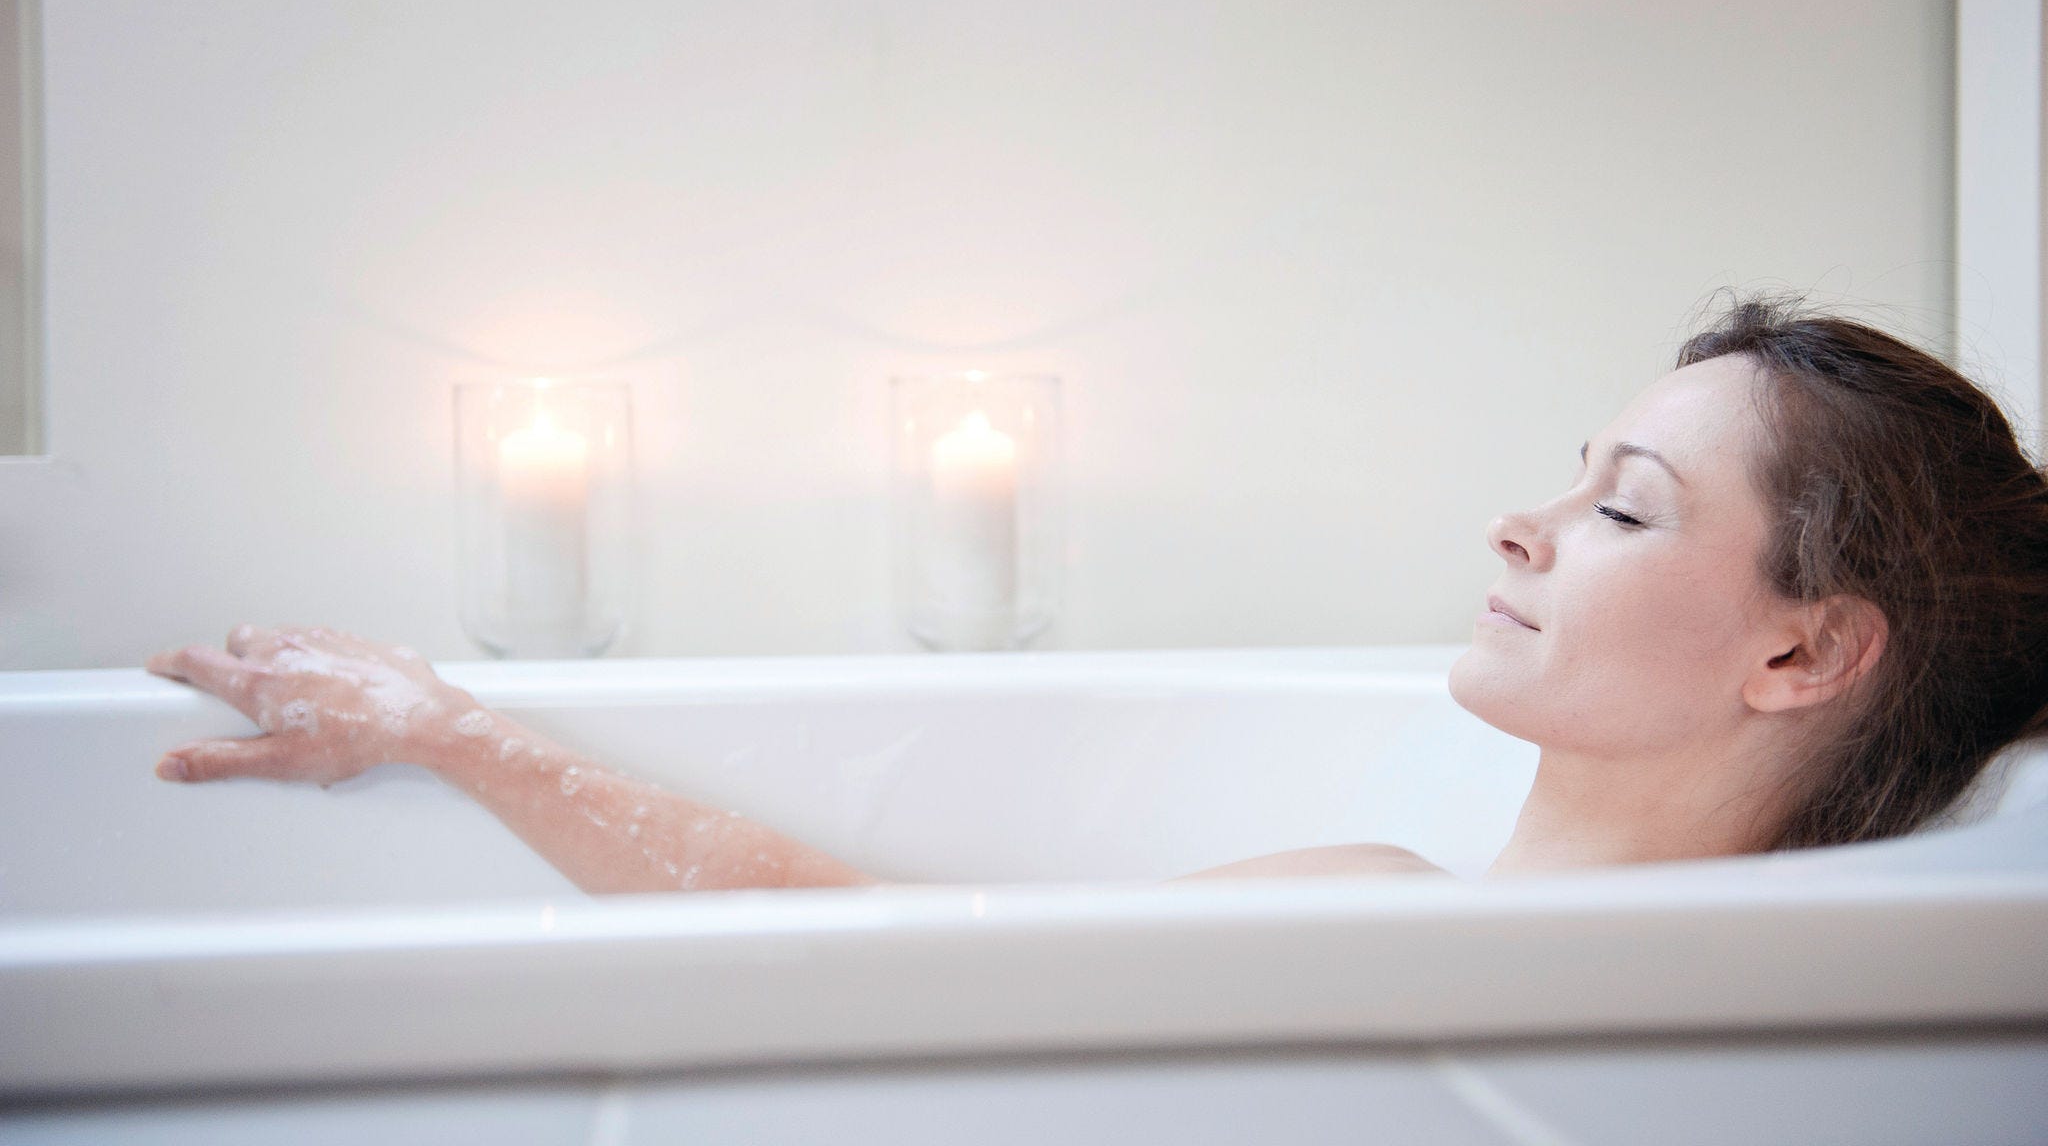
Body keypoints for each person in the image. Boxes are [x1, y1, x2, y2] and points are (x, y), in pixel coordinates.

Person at [144, 295, 2048, 890]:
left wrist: (456, 732)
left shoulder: (1385, 920)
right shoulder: (1389, 902)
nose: (1518, 528)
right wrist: (452, 736)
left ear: (1805, 648)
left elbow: (869, 959)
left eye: (1622, 510)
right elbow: (901, 959)